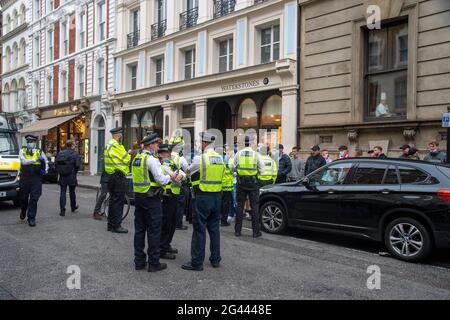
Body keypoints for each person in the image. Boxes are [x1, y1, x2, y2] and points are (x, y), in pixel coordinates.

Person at [132, 133, 179, 272]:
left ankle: (139, 261)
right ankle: (154, 263)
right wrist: (172, 177)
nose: (158, 147)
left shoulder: (137, 159)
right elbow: (160, 179)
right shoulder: (151, 160)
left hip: (139, 198)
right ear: (151, 145)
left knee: (140, 230)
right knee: (154, 230)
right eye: (157, 144)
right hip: (151, 199)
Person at [182, 132, 225, 271]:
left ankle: (196, 263)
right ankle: (215, 260)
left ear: (204, 143)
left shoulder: (201, 158)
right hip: (217, 197)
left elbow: (188, 171)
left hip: (203, 198)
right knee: (214, 230)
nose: (200, 145)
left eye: (200, 143)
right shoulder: (220, 159)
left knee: (199, 230)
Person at [233, 136, 265, 238]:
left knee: (240, 206)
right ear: (251, 143)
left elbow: (233, 167)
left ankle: (237, 231)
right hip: (253, 183)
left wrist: (238, 173)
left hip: (241, 183)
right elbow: (263, 170)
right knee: (255, 207)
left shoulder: (238, 153)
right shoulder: (256, 154)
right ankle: (255, 232)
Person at [159, 144, 186, 260]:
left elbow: (183, 175)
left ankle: (167, 244)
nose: (168, 155)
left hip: (174, 195)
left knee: (173, 223)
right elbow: (173, 176)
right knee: (166, 224)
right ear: (160, 154)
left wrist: (179, 176)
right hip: (166, 197)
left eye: (169, 153)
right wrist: (176, 176)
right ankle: (162, 249)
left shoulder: (171, 163)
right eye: (166, 153)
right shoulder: (160, 164)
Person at [103, 127, 131, 234]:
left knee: (112, 200)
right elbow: (126, 159)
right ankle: (117, 225)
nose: (122, 135)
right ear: (118, 135)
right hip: (119, 176)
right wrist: (128, 153)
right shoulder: (116, 145)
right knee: (118, 202)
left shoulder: (108, 145)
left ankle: (110, 224)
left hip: (111, 176)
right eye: (121, 134)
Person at [18, 135, 48, 227]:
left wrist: (46, 169)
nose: (30, 143)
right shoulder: (22, 150)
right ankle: (23, 210)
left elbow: (45, 161)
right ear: (26, 142)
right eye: (29, 141)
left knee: (34, 198)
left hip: (36, 178)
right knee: (24, 198)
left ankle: (31, 218)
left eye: (32, 141)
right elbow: (23, 161)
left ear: (35, 142)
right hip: (25, 177)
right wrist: (35, 159)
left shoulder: (39, 151)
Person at [56, 140, 81, 216]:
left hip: (63, 176)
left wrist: (60, 172)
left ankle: (62, 210)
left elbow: (56, 164)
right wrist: (75, 172)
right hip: (72, 175)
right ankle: (73, 207)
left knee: (63, 192)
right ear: (72, 146)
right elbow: (77, 165)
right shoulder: (75, 154)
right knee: (72, 192)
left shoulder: (60, 153)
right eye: (74, 145)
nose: (75, 146)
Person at [170, 137, 190, 231]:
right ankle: (178, 223)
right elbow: (187, 170)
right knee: (180, 205)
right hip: (178, 184)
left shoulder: (167, 155)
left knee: (171, 205)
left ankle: (172, 222)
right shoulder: (180, 158)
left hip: (167, 185)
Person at [220, 145, 234, 227]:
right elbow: (234, 170)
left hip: (222, 184)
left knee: (221, 203)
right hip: (228, 185)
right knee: (226, 204)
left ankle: (220, 218)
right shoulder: (230, 160)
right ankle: (224, 221)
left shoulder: (222, 160)